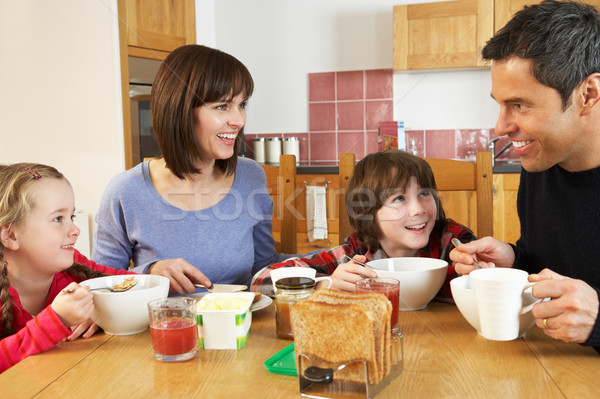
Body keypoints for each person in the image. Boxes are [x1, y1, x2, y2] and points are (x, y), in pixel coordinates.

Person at [450, 0, 600, 351]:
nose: (500, 126)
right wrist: (514, 260)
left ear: (588, 94)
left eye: (520, 105)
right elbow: (553, 268)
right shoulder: (541, 162)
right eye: (499, 104)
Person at [92, 44, 294, 294]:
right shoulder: (126, 190)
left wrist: (338, 260)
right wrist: (149, 272)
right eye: (222, 106)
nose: (239, 120)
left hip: (240, 328)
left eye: (242, 105)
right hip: (164, 330)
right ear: (181, 111)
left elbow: (264, 267)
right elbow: (98, 284)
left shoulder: (251, 176)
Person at [252, 150, 476, 299]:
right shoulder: (356, 255)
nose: (418, 209)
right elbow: (261, 280)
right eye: (399, 198)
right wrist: (324, 285)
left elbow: (489, 281)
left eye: (424, 193)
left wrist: (477, 273)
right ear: (368, 212)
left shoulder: (453, 242)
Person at [0, 163, 134, 373]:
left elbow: (128, 284)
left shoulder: (74, 266)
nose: (75, 230)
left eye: (71, 216)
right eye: (58, 219)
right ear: (10, 235)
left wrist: (100, 311)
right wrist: (57, 320)